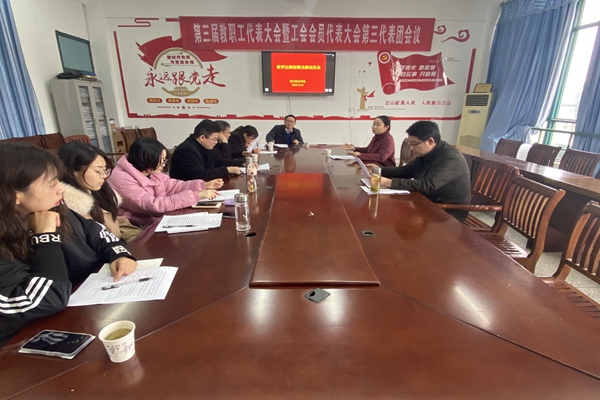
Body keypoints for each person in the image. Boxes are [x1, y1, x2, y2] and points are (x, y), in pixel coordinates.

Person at [0, 144, 137, 347]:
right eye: (51, 183)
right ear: (14, 195)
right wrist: (45, 237)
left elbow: (97, 233)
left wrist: (119, 254)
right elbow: (47, 299)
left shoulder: (54, 208)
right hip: (24, 345)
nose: (61, 188)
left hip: (83, 312)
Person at [107, 137, 223, 229]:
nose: (163, 164)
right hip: (137, 226)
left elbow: (173, 186)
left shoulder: (148, 170)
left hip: (154, 220)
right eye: (161, 161)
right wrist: (195, 196)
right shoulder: (122, 179)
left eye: (164, 160)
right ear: (146, 159)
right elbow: (153, 205)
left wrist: (202, 185)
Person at [375, 120, 471, 222]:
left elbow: (426, 185)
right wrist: (378, 170)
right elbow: (406, 170)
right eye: (410, 143)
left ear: (430, 141)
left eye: (414, 144)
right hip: (427, 202)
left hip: (447, 213)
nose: (411, 148)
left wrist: (388, 182)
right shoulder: (426, 153)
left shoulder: (451, 158)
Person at [58, 142, 141, 243]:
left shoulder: (98, 191)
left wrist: (138, 240)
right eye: (98, 171)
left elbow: (115, 220)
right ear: (71, 172)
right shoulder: (71, 208)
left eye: (104, 170)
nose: (105, 176)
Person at [169, 119, 244, 181]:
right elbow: (200, 174)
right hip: (186, 191)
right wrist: (227, 170)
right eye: (214, 139)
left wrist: (243, 163)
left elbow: (220, 161)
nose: (216, 142)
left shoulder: (205, 146)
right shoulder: (186, 150)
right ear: (202, 137)